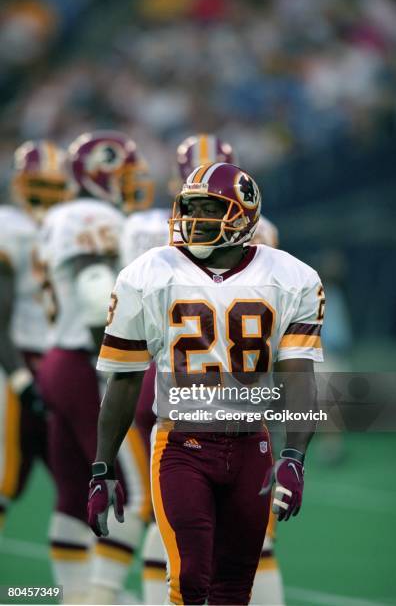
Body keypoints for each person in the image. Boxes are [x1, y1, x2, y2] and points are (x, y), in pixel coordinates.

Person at [89, 162, 324, 605]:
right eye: (189, 207)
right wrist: (101, 468)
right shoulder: (147, 273)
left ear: (243, 216)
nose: (194, 219)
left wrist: (294, 454)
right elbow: (123, 382)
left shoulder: (292, 277)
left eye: (209, 209)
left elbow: (300, 377)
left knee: (235, 588)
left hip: (251, 444)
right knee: (190, 580)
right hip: (181, 445)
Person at [123, 133, 284, 604]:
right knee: (237, 526)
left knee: (168, 514)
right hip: (224, 384)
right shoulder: (265, 235)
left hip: (173, 376)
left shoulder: (144, 230)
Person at [37, 130, 152, 604]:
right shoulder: (94, 215)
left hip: (56, 360)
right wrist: (114, 362)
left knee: (71, 490)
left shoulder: (59, 214)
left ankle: (74, 596)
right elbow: (92, 290)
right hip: (85, 362)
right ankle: (101, 598)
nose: (129, 183)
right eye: (122, 174)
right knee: (132, 489)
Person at [0, 140, 73, 529]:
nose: (45, 197)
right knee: (3, 477)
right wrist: (18, 375)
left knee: (78, 482)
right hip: (14, 361)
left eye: (52, 186)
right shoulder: (8, 228)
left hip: (58, 364)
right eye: (38, 186)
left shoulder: (75, 227)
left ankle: (83, 589)